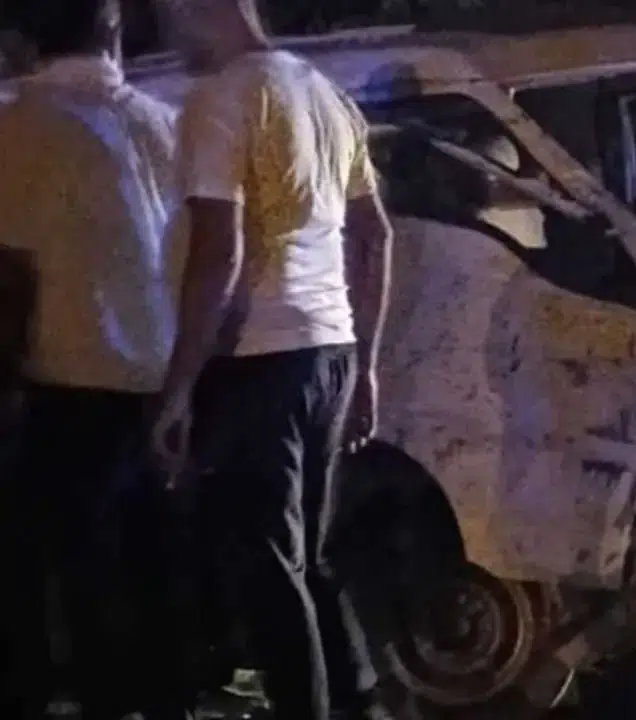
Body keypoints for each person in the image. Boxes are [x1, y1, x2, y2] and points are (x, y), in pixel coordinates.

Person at [148, 0, 394, 718]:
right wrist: (367, 365)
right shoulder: (326, 95)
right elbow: (375, 236)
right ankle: (363, 705)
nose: (166, 33)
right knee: (309, 559)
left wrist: (178, 389)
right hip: (330, 351)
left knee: (268, 570)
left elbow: (217, 255)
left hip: (261, 358)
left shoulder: (221, 100)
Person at [0, 0, 186, 717]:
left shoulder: (19, 125)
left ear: (23, 38)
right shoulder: (165, 123)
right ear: (112, 30)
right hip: (165, 382)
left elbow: (11, 271)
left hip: (62, 381)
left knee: (66, 574)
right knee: (151, 569)